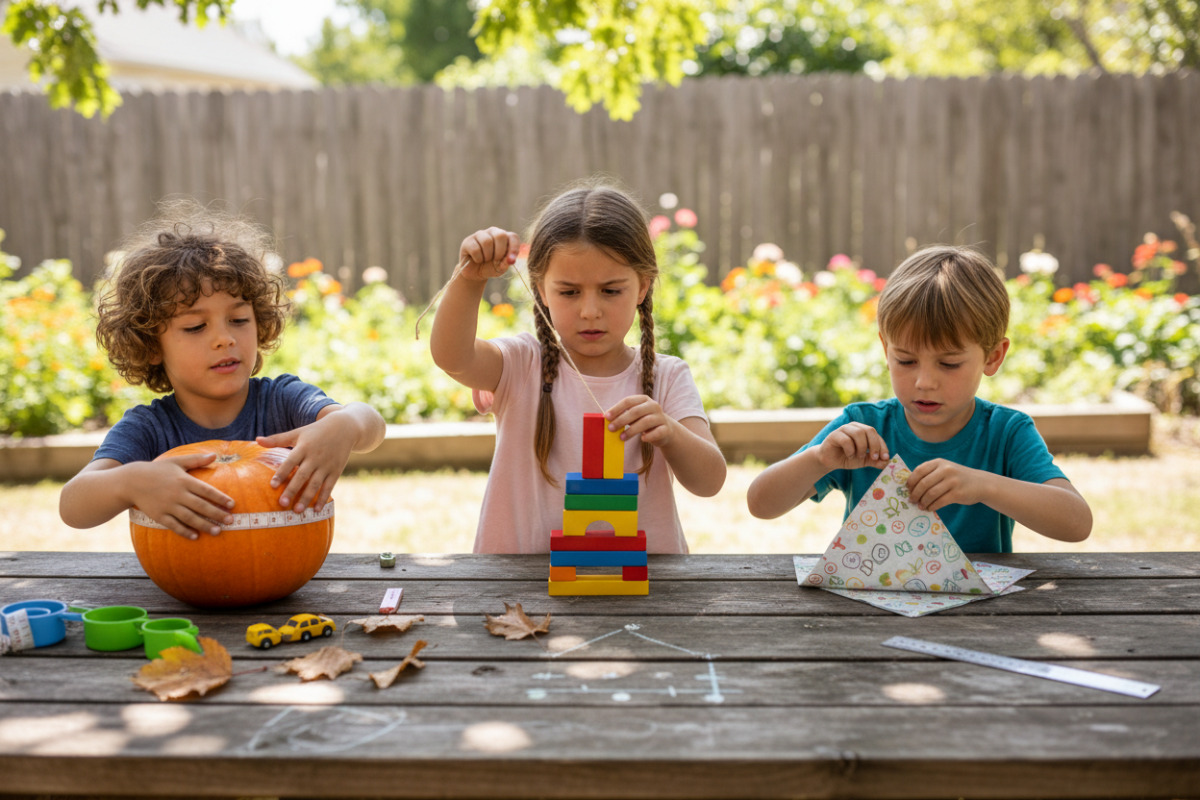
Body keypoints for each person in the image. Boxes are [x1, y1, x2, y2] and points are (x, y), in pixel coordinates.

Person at [59, 202, 386, 540]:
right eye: (196, 327)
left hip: (287, 566)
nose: (224, 339)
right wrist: (130, 482)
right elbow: (72, 506)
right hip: (183, 572)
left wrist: (346, 425)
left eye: (239, 320)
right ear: (152, 345)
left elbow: (372, 426)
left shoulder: (282, 400)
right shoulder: (148, 429)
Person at [430, 182, 727, 553]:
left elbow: (710, 481)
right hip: (520, 581)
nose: (589, 311)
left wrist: (670, 432)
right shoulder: (521, 364)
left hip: (642, 582)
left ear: (642, 287)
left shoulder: (667, 377)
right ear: (541, 290)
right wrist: (469, 280)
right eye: (569, 292)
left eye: (610, 290)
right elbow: (452, 357)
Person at [746, 244, 1092, 552]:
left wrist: (984, 485)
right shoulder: (863, 426)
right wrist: (818, 459)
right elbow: (761, 504)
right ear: (886, 349)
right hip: (873, 599)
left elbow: (1076, 523)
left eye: (949, 364)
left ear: (993, 357)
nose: (924, 382)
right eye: (906, 361)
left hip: (976, 606)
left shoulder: (1005, 433)